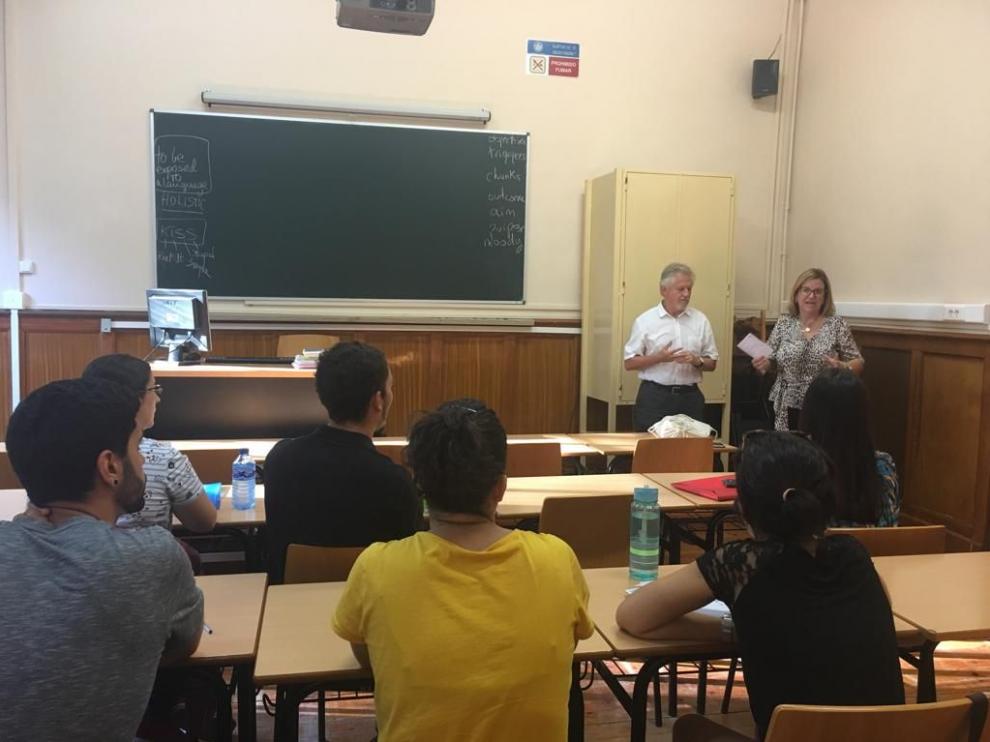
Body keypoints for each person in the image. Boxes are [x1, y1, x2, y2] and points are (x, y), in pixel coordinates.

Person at [332, 399, 594, 741]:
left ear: (420, 487)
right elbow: (568, 642)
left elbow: (366, 654)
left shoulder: (375, 567)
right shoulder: (557, 558)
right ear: (500, 487)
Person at [615, 431, 903, 739]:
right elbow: (883, 609)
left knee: (689, 727)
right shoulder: (854, 554)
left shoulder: (739, 564)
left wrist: (730, 628)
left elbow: (632, 616)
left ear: (743, 510)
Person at [0, 378, 204, 742]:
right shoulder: (155, 557)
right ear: (110, 466)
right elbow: (182, 646)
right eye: (136, 447)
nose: (142, 459)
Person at [264, 341, 420, 583]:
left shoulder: (279, 459)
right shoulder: (395, 481)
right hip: (369, 607)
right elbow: (407, 562)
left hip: (289, 601)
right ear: (378, 400)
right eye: (390, 387)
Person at [82, 353, 217, 534]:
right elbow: (204, 522)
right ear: (138, 399)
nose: (158, 399)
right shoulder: (166, 458)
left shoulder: (66, 453)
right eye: (154, 390)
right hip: (150, 560)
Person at [752, 268, 864, 430]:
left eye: (818, 292)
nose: (811, 296)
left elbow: (859, 362)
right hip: (784, 404)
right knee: (787, 452)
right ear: (797, 295)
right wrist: (765, 364)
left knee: (816, 451)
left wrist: (843, 367)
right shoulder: (784, 323)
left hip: (823, 402)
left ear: (825, 297)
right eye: (806, 290)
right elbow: (770, 358)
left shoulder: (836, 325)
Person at [624, 262, 719, 431]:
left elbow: (712, 363)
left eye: (689, 289)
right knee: (652, 452)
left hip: (690, 398)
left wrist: (697, 361)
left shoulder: (700, 320)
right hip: (655, 398)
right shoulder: (645, 321)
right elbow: (629, 363)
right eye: (680, 289)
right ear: (663, 290)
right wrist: (659, 358)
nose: (686, 294)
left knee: (690, 452)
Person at [800, 368, 900, 527]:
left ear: (810, 414)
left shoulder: (798, 465)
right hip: (874, 550)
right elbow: (889, 528)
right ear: (863, 415)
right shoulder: (882, 463)